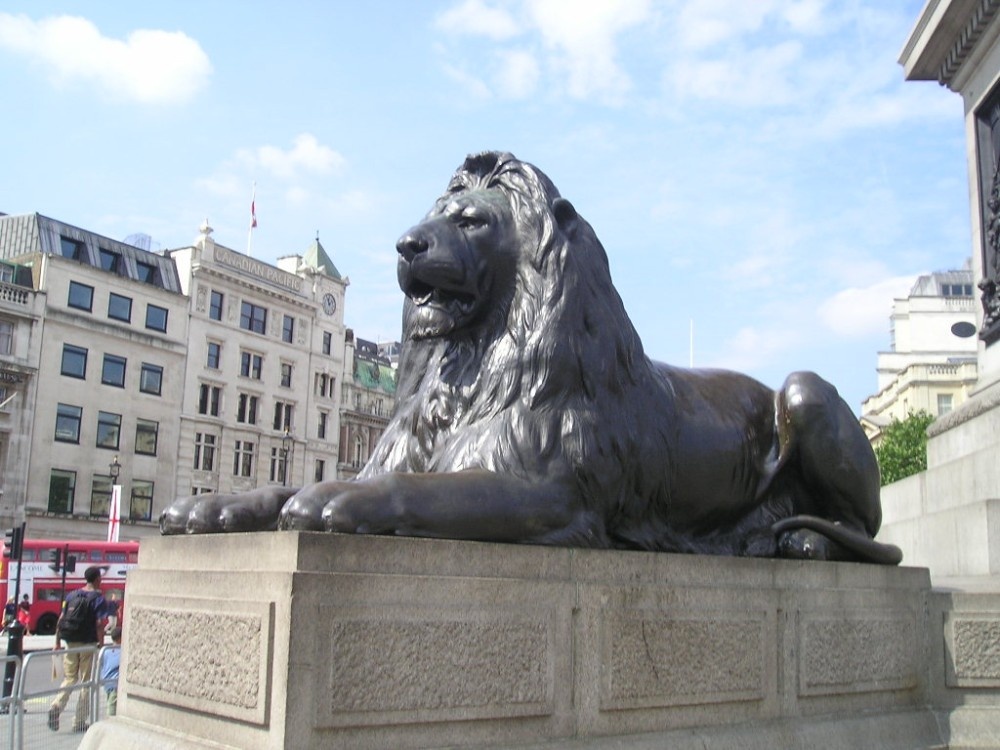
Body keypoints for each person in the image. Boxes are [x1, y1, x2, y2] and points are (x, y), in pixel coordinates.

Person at [48, 566, 110, 733]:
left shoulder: (72, 595)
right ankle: (79, 721)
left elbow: (61, 619)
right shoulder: (98, 598)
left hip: (70, 642)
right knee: (86, 683)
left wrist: (57, 642)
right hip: (88, 643)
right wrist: (101, 645)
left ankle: (56, 705)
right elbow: (100, 624)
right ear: (97, 579)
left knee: (69, 678)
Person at [99, 627, 121, 717]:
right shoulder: (121, 651)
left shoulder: (106, 650)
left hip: (107, 682)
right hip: (115, 682)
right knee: (111, 706)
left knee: (110, 701)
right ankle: (110, 723)